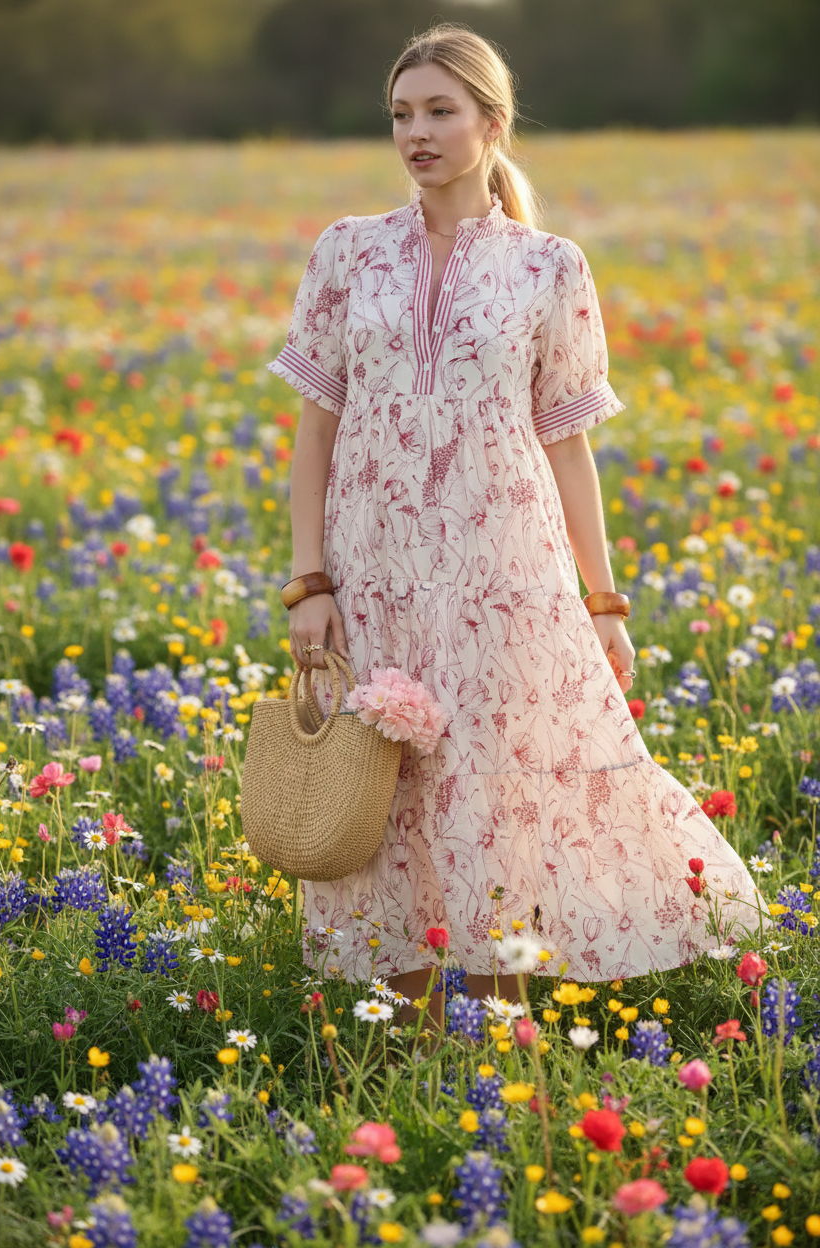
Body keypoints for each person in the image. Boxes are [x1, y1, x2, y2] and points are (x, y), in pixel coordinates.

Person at [268, 24, 770, 1023]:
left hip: (506, 569)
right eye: (402, 114)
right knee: (382, 782)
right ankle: (396, 1026)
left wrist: (603, 598)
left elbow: (566, 448)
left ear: (492, 124)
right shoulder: (347, 252)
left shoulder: (549, 269)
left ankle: (497, 1023)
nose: (416, 133)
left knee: (496, 785)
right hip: (373, 567)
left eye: (439, 111)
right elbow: (314, 431)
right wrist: (307, 580)